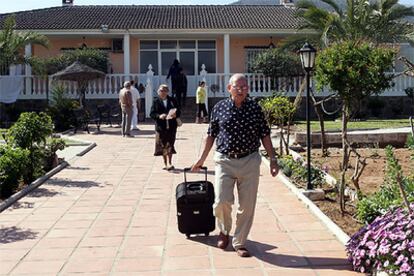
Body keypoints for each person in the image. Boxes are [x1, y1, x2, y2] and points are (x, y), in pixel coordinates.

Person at [191, 73, 279, 257]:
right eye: (237, 87)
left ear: (248, 89)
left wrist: (273, 159)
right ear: (229, 88)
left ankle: (240, 242)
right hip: (225, 160)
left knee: (247, 205)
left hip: (249, 160)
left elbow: (264, 134)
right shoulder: (219, 107)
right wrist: (201, 160)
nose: (241, 90)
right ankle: (224, 231)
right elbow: (211, 135)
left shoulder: (255, 108)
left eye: (244, 86)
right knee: (222, 200)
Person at [150, 84, 181, 171]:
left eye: (164, 91)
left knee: (170, 144)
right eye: (161, 91)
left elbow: (178, 111)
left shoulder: (172, 100)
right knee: (163, 145)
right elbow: (152, 114)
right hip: (161, 127)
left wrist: (175, 114)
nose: (162, 92)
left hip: (171, 126)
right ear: (158, 92)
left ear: (167, 92)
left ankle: (170, 162)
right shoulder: (156, 101)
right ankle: (165, 163)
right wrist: (159, 116)